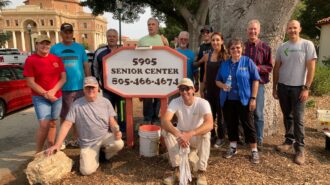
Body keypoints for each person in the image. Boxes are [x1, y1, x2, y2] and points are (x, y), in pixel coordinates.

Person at [47, 76, 124, 175]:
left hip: (104, 136)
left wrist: (116, 132)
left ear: (98, 88)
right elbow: (67, 124)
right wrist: (57, 144)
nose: (91, 90)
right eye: (88, 87)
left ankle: (104, 155)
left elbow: (112, 121)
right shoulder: (76, 104)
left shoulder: (106, 102)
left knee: (119, 143)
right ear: (83, 89)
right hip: (88, 143)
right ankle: (94, 157)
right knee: (86, 171)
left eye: (93, 87)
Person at [273, 20, 317, 165]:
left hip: (299, 88)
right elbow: (277, 68)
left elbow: (311, 67)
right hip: (283, 87)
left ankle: (300, 149)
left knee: (298, 119)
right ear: (286, 30)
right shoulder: (282, 47)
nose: (292, 30)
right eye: (290, 28)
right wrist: (275, 87)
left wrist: (306, 88)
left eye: (295, 28)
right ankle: (288, 141)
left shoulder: (307, 45)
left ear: (300, 29)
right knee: (287, 116)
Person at [216, 38, 260, 164]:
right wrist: (223, 86)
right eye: (232, 48)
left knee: (248, 124)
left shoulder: (248, 62)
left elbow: (256, 80)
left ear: (242, 49)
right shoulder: (224, 64)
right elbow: (217, 80)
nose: (235, 50)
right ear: (229, 50)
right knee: (231, 124)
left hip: (244, 100)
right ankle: (233, 147)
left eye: (238, 47)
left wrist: (253, 98)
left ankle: (254, 150)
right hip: (228, 100)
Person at [162, 78, 213, 185]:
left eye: (187, 88)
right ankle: (177, 171)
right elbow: (165, 120)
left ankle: (201, 172)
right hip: (181, 137)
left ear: (194, 89)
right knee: (166, 131)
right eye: (181, 89)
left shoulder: (202, 102)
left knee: (206, 134)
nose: (184, 92)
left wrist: (189, 134)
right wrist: (179, 134)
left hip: (195, 136)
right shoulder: (175, 101)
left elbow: (209, 124)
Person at [50, 23, 91, 148]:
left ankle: (76, 139)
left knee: (79, 115)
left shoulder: (79, 48)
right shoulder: (55, 49)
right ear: (61, 33)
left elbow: (85, 65)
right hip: (63, 88)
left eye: (70, 32)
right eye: (65, 32)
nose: (68, 35)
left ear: (73, 33)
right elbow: (50, 68)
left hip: (79, 87)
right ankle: (62, 140)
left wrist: (89, 81)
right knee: (64, 115)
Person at [23, 35, 66, 153]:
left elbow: (63, 78)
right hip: (40, 98)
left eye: (47, 43)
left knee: (52, 123)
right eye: (41, 43)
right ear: (36, 45)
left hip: (56, 97)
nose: (45, 46)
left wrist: (53, 91)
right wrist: (46, 94)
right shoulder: (31, 60)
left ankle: (50, 148)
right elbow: (30, 82)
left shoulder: (56, 59)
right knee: (44, 124)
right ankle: (38, 152)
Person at [244, 20, 273, 149]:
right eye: (250, 29)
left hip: (259, 85)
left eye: (255, 29)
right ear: (247, 31)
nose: (253, 31)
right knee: (245, 112)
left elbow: (269, 67)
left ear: (259, 31)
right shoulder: (242, 47)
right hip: (244, 84)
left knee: (258, 114)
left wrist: (257, 68)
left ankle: (259, 138)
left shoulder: (266, 47)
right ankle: (248, 138)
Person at [198, 32, 228, 148]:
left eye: (217, 40)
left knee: (221, 115)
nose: (215, 42)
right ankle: (211, 134)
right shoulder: (207, 56)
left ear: (222, 41)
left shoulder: (226, 56)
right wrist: (202, 88)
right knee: (209, 114)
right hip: (209, 89)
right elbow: (205, 73)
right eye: (213, 40)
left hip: (221, 90)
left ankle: (221, 137)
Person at [92, 29, 126, 133]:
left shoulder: (124, 51)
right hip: (107, 89)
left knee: (122, 111)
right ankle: (109, 132)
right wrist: (96, 82)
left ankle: (123, 130)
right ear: (107, 37)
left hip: (122, 89)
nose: (111, 38)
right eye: (109, 36)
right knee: (108, 111)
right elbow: (95, 68)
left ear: (117, 38)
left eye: (113, 36)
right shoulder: (99, 52)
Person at [138, 17, 169, 123]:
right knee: (147, 97)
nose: (150, 26)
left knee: (159, 98)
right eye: (149, 24)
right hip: (146, 75)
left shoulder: (163, 40)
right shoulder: (142, 40)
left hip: (160, 74)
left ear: (157, 26)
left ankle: (155, 117)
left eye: (153, 24)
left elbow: (168, 55)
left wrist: (166, 44)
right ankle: (147, 118)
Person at [194, 25, 213, 98]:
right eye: (203, 32)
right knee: (203, 99)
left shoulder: (215, 44)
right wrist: (200, 61)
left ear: (211, 33)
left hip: (215, 78)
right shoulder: (200, 48)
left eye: (207, 32)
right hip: (203, 79)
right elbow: (195, 64)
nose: (205, 34)